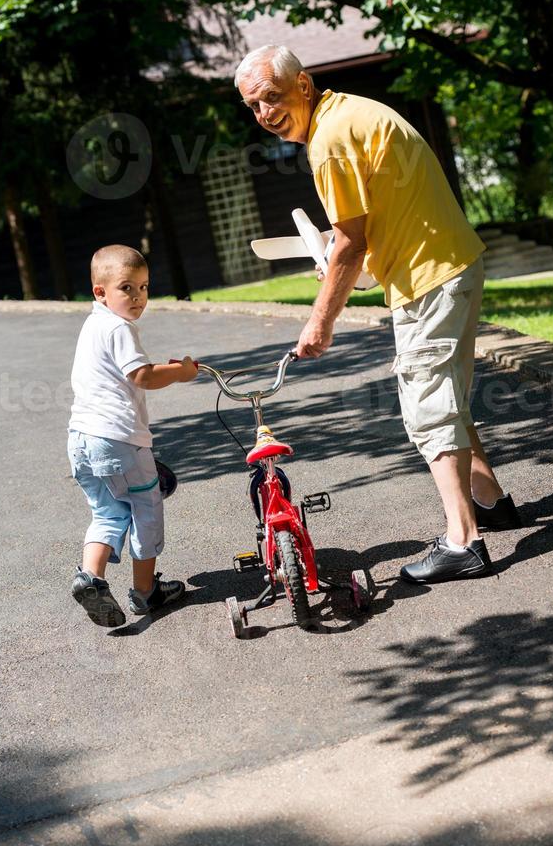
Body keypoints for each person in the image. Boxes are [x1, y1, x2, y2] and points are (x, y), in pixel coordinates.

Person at [235, 45, 521, 584]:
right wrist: (344, 262)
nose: (265, 113)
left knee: (427, 409)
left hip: (430, 278)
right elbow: (368, 231)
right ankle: (490, 502)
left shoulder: (329, 140)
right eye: (254, 106)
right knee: (444, 396)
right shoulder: (347, 115)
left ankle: (464, 543)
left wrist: (320, 320)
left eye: (272, 97)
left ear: (304, 85)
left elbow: (350, 241)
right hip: (444, 266)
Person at [67, 244, 198, 626]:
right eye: (127, 287)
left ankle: (90, 578)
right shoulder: (119, 327)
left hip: (80, 440)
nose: (139, 296)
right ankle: (146, 592)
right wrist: (181, 372)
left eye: (144, 287)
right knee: (145, 509)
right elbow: (142, 375)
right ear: (100, 292)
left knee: (107, 511)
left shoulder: (92, 325)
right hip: (118, 440)